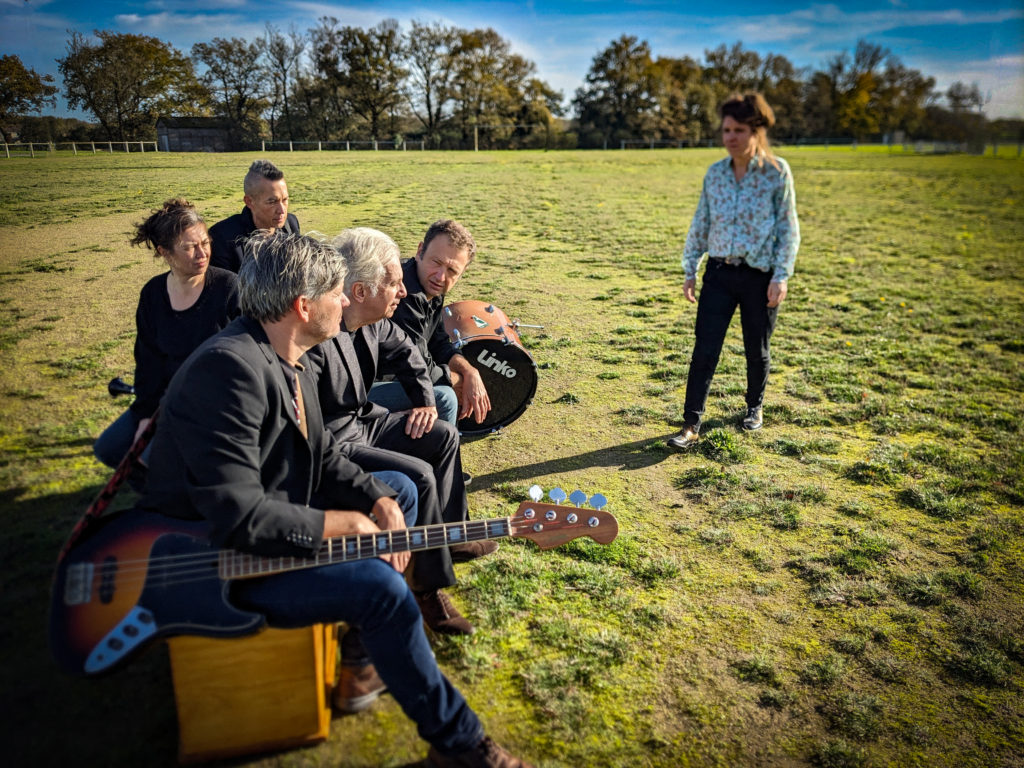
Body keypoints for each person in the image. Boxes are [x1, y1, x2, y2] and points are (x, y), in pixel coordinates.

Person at [138, 231, 532, 768]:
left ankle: (392, 673)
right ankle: (461, 746)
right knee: (380, 591)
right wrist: (338, 524)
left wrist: (376, 499)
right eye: (336, 293)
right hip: (208, 568)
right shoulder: (230, 369)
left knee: (386, 553)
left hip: (254, 540)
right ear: (304, 306)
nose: (347, 300)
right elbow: (238, 517)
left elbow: (321, 455)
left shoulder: (283, 353)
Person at [307, 227, 494, 638]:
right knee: (419, 476)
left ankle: (450, 534)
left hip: (363, 423)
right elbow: (317, 434)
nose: (402, 291)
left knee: (442, 436)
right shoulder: (321, 334)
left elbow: (409, 352)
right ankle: (427, 590)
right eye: (392, 283)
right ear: (359, 291)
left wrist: (425, 400)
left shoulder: (374, 319)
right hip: (337, 442)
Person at [668, 93, 800, 450]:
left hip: (760, 276)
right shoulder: (715, 174)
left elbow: (789, 228)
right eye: (726, 129)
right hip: (719, 274)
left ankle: (754, 407)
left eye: (739, 129)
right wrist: (690, 268)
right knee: (704, 349)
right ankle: (691, 424)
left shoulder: (776, 173)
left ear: (756, 131)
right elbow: (701, 222)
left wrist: (781, 276)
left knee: (757, 348)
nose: (731, 137)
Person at [93, 198, 239, 473]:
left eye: (205, 243)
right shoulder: (152, 294)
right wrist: (147, 418)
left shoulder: (229, 287)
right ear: (165, 252)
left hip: (214, 402)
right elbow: (147, 361)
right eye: (189, 247)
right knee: (110, 449)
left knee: (152, 458)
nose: (202, 253)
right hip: (165, 398)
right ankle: (157, 498)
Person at [369, 219, 490, 427]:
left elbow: (439, 342)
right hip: (365, 387)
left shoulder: (430, 285)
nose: (441, 276)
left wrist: (470, 371)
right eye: (436, 262)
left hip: (396, 377)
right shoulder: (404, 294)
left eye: (452, 271)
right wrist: (457, 380)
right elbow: (418, 364)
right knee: (444, 397)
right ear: (420, 251)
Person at [208, 159, 299, 272]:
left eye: (285, 200)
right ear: (249, 202)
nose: (282, 210)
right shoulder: (222, 238)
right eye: (272, 202)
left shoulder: (291, 224)